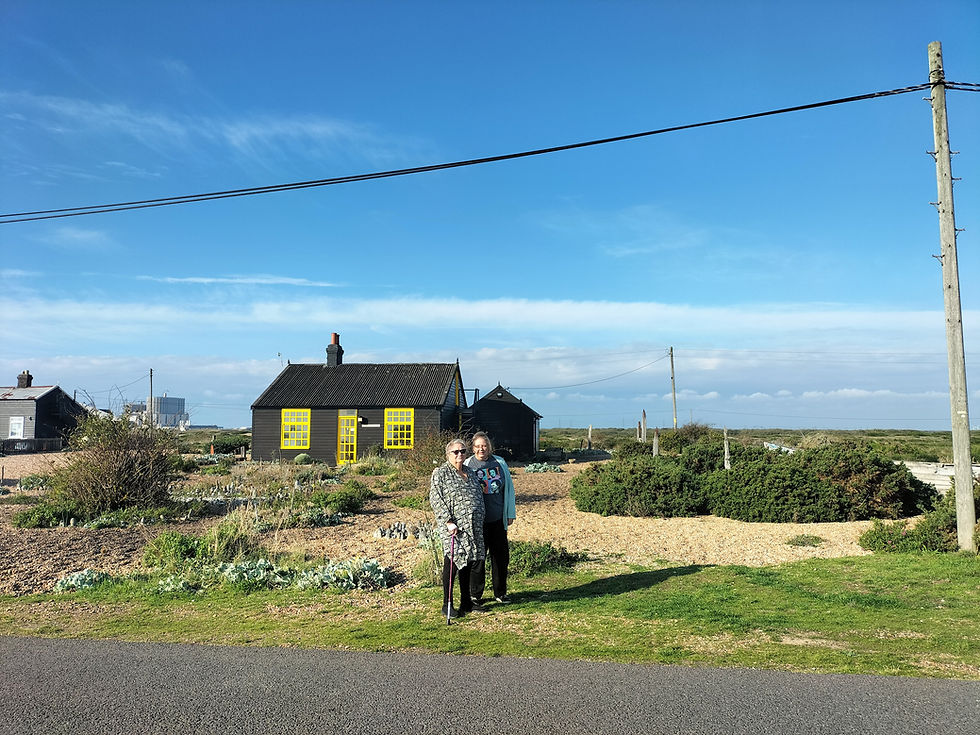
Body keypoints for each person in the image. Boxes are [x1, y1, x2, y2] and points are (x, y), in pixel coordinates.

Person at [429, 438, 486, 618]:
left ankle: (466, 602)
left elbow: (478, 494)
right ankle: (447, 604)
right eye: (456, 452)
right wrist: (448, 521)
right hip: (454, 527)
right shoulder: (441, 473)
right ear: (448, 455)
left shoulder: (470, 472)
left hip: (473, 526)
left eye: (463, 451)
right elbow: (436, 499)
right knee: (453, 562)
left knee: (468, 562)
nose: (460, 454)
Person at [465, 431, 516, 604]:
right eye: (478, 446)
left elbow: (509, 489)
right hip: (477, 521)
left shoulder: (499, 462)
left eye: (484, 446)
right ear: (473, 448)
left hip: (497, 518)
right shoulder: (467, 464)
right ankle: (475, 595)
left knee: (500, 557)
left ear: (489, 447)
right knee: (478, 558)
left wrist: (510, 513)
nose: (481, 449)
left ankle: (500, 593)